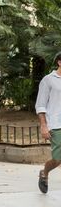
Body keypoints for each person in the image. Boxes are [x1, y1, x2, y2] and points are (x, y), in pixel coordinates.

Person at [35, 52, 61, 193]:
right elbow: (40, 105)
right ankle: (44, 172)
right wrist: (44, 125)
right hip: (56, 124)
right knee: (57, 159)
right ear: (59, 62)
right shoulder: (48, 80)